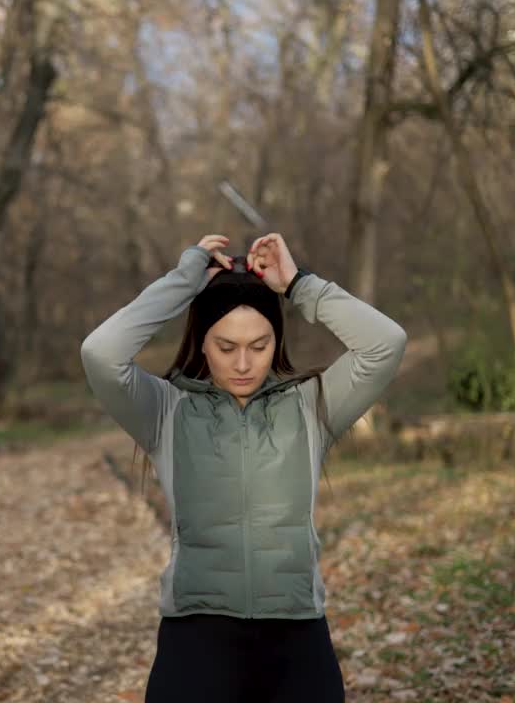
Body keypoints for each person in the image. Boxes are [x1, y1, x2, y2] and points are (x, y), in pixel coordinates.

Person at [79, 232, 407, 702]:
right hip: (196, 635)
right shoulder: (165, 411)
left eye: (259, 345)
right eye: (225, 346)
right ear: (203, 342)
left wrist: (297, 284)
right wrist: (183, 281)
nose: (242, 363)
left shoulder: (311, 407)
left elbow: (386, 343)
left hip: (296, 637)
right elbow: (100, 353)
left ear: (277, 341)